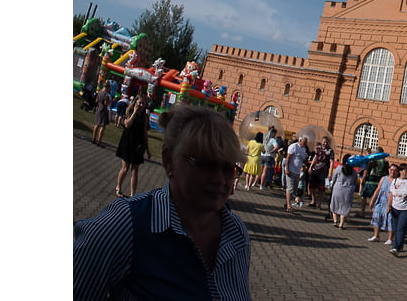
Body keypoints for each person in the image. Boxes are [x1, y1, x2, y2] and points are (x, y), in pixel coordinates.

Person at [74, 105, 252, 299]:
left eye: (228, 167)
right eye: (205, 163)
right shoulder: (127, 225)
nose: (219, 179)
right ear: (169, 160)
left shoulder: (236, 234)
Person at [114, 89, 151, 198]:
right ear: (135, 102)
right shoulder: (129, 111)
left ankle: (132, 195)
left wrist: (148, 148)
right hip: (127, 141)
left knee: (135, 171)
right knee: (125, 168)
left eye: (143, 104)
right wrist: (134, 112)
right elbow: (127, 124)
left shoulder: (145, 117)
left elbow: (145, 132)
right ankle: (118, 186)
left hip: (138, 144)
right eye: (140, 103)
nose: (141, 105)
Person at [388, 163, 407, 255]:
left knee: (400, 228)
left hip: (406, 209)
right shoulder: (395, 181)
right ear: (400, 171)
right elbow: (391, 195)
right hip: (395, 207)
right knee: (396, 228)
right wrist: (388, 206)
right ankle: (400, 246)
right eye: (406, 171)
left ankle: (395, 247)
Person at [368, 163, 397, 245]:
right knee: (376, 217)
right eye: (391, 170)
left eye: (395, 171)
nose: (392, 172)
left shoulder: (397, 181)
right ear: (388, 170)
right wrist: (372, 200)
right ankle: (376, 235)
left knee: (390, 220)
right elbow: (378, 190)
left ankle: (390, 238)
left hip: (391, 203)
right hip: (381, 201)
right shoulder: (383, 178)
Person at [329, 154, 358, 229]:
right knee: (345, 207)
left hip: (338, 189)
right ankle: (341, 224)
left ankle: (335, 221)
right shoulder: (354, 172)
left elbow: (334, 177)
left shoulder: (339, 168)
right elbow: (355, 182)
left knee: (335, 204)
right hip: (348, 191)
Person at [360, 147, 388, 217]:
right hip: (380, 181)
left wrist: (363, 178)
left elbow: (367, 170)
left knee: (364, 196)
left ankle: (362, 212)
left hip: (370, 180)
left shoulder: (372, 160)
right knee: (375, 198)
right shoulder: (385, 162)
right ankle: (374, 213)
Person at [284, 136, 307, 211]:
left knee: (294, 190)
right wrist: (287, 169)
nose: (305, 143)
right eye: (304, 142)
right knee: (290, 188)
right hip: (291, 170)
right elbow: (288, 158)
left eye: (306, 142)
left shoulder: (303, 149)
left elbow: (302, 160)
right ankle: (289, 206)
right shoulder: (293, 147)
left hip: (297, 171)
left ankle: (287, 202)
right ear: (300, 140)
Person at [307, 140, 333, 208]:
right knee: (311, 186)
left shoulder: (330, 151)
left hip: (323, 171)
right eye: (324, 142)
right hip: (315, 170)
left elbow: (331, 162)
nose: (325, 143)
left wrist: (330, 173)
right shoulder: (318, 148)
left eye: (326, 142)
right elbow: (315, 158)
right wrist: (310, 167)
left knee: (321, 188)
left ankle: (319, 203)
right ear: (322, 142)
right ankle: (313, 201)